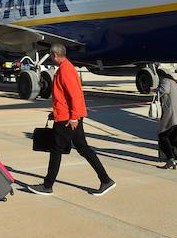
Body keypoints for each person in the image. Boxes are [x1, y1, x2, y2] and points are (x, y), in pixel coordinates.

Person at [30, 44, 115, 196]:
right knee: (83, 148)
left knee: (56, 150)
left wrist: (74, 117)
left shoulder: (65, 70)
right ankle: (106, 180)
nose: (50, 58)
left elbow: (75, 95)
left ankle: (47, 185)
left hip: (68, 119)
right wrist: (55, 113)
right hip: (67, 116)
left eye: (51, 55)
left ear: (55, 55)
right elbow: (64, 97)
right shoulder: (66, 68)